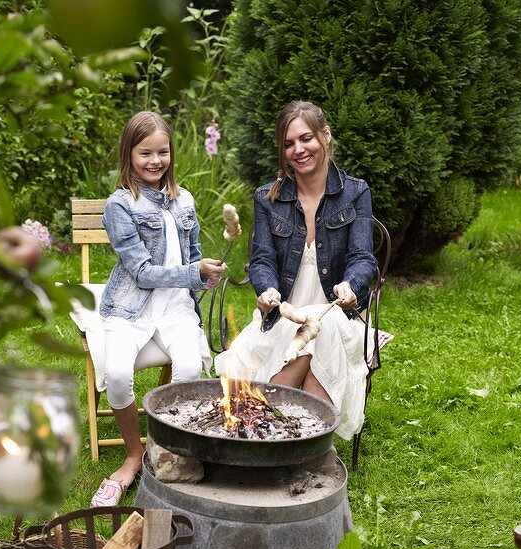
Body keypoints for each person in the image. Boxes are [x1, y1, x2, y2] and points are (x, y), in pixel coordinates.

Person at [215, 100, 376, 439]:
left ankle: (277, 426)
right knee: (313, 331)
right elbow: (261, 260)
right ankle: (312, 440)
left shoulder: (355, 192)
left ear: (326, 136)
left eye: (306, 139)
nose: (298, 150)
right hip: (283, 319)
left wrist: (350, 284)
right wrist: (266, 289)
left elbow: (364, 258)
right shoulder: (268, 198)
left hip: (339, 316)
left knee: (324, 326)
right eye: (289, 143)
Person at [91, 111, 226, 507]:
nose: (155, 161)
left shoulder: (184, 200)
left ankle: (169, 450)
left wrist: (205, 275)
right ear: (128, 155)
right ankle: (135, 454)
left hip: (176, 307)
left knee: (189, 371)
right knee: (116, 374)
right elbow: (142, 272)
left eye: (162, 152)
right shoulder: (120, 205)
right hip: (131, 307)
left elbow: (194, 254)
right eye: (145, 153)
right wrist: (191, 272)